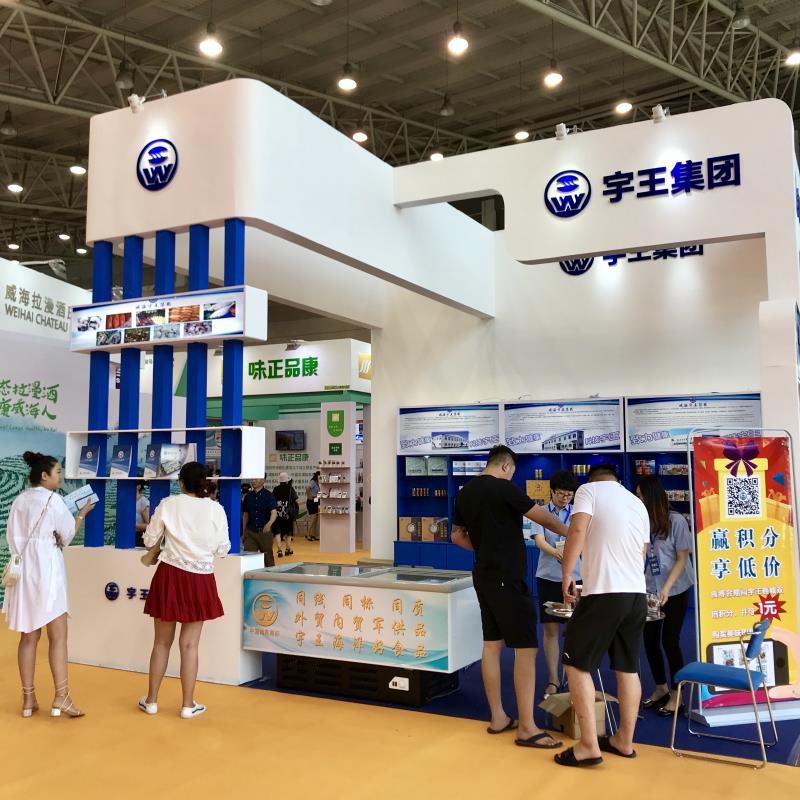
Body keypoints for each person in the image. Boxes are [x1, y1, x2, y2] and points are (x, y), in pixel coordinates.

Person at [452, 445, 568, 750]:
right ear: (506, 466)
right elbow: (546, 519)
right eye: (512, 471)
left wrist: (486, 548)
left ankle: (498, 718)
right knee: (526, 648)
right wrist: (574, 533)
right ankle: (527, 728)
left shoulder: (465, 493)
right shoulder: (503, 488)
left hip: (483, 575)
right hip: (508, 578)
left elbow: (457, 536)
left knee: (492, 645)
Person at [557, 463, 649, 768]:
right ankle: (624, 741)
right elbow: (642, 553)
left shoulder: (588, 490)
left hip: (604, 592)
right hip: (636, 594)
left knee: (575, 663)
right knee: (628, 667)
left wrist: (567, 572)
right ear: (617, 480)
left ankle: (588, 746)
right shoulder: (636, 503)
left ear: (592, 480)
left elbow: (578, 529)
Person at [3, 451, 95, 718]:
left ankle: (28, 699)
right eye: (57, 473)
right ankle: (61, 697)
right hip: (48, 572)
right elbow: (67, 536)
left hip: (24, 573)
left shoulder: (19, 500)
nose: (60, 477)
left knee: (28, 637)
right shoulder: (54, 500)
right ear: (44, 475)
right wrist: (81, 514)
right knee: (58, 637)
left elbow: (11, 536)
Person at [139, 461, 230, 719]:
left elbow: (149, 539)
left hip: (169, 575)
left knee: (161, 642)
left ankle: (152, 701)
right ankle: (188, 705)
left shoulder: (168, 504)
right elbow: (223, 549)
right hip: (201, 578)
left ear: (181, 483)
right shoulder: (216, 509)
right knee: (190, 646)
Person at [635, 475, 695, 715]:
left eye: (641, 496)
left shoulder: (676, 520)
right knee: (649, 640)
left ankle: (677, 694)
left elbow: (682, 558)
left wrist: (667, 588)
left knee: (670, 641)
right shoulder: (643, 521)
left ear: (652, 496)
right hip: (651, 588)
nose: (638, 500)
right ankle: (661, 688)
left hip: (676, 588)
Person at [531, 470, 580, 698]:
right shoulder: (540, 512)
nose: (565, 498)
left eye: (569, 495)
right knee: (550, 629)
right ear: (551, 491)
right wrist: (556, 552)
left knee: (574, 630)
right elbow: (539, 541)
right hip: (548, 576)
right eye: (561, 494)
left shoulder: (578, 513)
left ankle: (572, 675)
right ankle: (553, 679)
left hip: (575, 577)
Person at [242, 477, 278, 567]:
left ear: (263, 481)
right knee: (249, 558)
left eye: (256, 479)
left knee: (268, 559)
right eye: (253, 479)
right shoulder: (248, 497)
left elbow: (274, 513)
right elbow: (245, 515)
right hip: (250, 532)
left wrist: (269, 524)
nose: (253, 481)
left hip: (264, 532)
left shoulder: (269, 495)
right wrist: (244, 531)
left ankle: (271, 575)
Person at [273, 473, 299, 557]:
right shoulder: (290, 489)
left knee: (277, 531)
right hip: (288, 513)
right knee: (289, 531)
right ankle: (288, 549)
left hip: (278, 513)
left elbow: (273, 501)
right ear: (287, 480)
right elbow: (295, 500)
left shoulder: (276, 489)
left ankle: (279, 550)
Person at [306, 471, 321, 542]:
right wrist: (309, 496)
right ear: (317, 476)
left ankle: (313, 534)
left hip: (316, 500)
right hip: (311, 501)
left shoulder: (318, 483)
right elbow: (307, 487)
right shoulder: (313, 482)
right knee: (313, 518)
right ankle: (308, 534)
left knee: (315, 519)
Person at [135, 481, 150, 548]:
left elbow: (149, 525)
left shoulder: (143, 501)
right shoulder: (128, 501)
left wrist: (133, 525)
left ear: (139, 486)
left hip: (139, 537)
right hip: (127, 534)